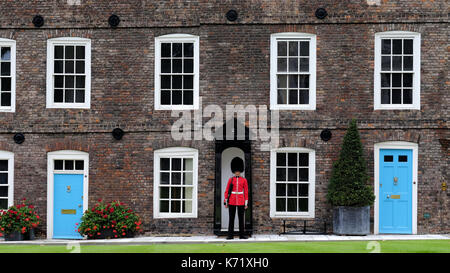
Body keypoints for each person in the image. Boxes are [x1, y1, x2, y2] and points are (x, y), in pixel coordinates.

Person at [224, 157, 248, 240]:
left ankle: (242, 235)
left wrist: (246, 203)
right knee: (231, 218)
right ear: (234, 171)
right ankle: (230, 235)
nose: (237, 172)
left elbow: (246, 192)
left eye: (238, 171)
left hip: (241, 200)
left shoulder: (244, 180)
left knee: (241, 219)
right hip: (232, 200)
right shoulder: (231, 180)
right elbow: (227, 191)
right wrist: (226, 201)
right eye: (236, 171)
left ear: (240, 170)